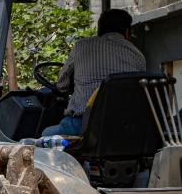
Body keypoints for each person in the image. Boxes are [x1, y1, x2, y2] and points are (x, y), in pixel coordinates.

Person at [41, 9, 146, 137]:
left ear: (99, 29)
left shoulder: (81, 46)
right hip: (123, 126)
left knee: (45, 134)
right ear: (127, 32)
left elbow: (62, 85)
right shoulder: (138, 55)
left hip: (82, 125)